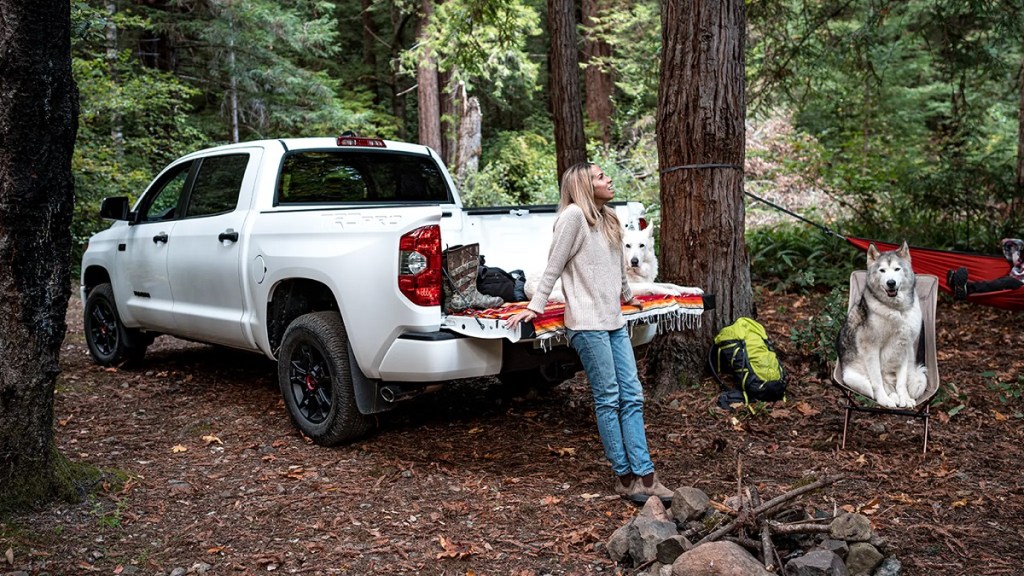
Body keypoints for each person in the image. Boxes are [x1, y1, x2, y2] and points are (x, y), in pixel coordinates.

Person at [505, 162, 674, 500]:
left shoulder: (608, 217)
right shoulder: (572, 218)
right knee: (609, 399)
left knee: (633, 395)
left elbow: (617, 267)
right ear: (584, 185)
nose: (608, 179)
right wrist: (534, 306)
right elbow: (554, 265)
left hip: (613, 321)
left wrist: (627, 296)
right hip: (586, 324)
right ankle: (625, 478)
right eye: (600, 177)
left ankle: (648, 476)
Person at [947, 238, 1024, 300]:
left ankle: (965, 288)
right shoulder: (1020, 254)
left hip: (1020, 287)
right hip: (1011, 279)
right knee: (993, 283)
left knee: (1005, 281)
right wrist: (1009, 242)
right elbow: (1008, 243)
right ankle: (961, 287)